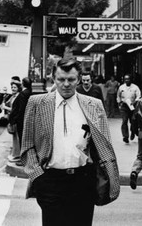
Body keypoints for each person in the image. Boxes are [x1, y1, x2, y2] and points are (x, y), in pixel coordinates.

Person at [20, 57, 119, 226]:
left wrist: (107, 176)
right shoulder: (36, 103)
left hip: (83, 180)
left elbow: (104, 146)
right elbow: (27, 146)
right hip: (50, 181)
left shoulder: (93, 105)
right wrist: (38, 178)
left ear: (79, 79)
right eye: (61, 79)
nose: (66, 84)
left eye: (71, 79)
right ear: (53, 78)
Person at [116, 73, 141, 143]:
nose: (126, 80)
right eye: (125, 79)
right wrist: (119, 102)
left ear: (131, 80)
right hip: (124, 106)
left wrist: (135, 102)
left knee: (133, 121)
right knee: (124, 121)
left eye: (128, 79)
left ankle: (133, 131)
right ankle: (125, 136)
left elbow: (139, 96)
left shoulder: (135, 87)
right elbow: (118, 95)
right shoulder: (121, 87)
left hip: (132, 106)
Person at [2, 77, 22, 162]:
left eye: (15, 87)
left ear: (18, 88)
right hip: (12, 118)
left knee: (17, 137)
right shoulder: (12, 96)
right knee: (14, 137)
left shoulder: (18, 97)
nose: (13, 89)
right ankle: (14, 154)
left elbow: (15, 109)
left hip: (16, 119)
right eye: (12, 87)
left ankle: (16, 155)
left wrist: (5, 107)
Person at [9, 76, 32, 149]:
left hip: (21, 120)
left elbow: (21, 108)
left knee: (21, 138)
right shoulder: (30, 92)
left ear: (23, 84)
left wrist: (16, 119)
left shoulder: (23, 94)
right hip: (26, 119)